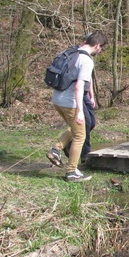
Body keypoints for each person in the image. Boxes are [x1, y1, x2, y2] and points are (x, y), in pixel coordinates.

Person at [46, 31, 108, 182]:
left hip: (57, 99)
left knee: (76, 128)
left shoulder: (71, 52)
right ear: (97, 46)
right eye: (101, 49)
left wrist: (91, 95)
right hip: (70, 102)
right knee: (80, 135)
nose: (100, 51)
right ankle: (71, 171)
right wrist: (80, 111)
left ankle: (56, 149)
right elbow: (79, 87)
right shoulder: (86, 61)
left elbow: (83, 80)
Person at [63, 34, 97, 164]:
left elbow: (88, 79)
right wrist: (80, 110)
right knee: (84, 124)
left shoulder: (87, 58)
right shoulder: (78, 57)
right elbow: (78, 83)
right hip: (78, 94)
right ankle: (84, 155)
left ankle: (67, 145)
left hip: (85, 94)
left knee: (91, 123)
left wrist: (92, 95)